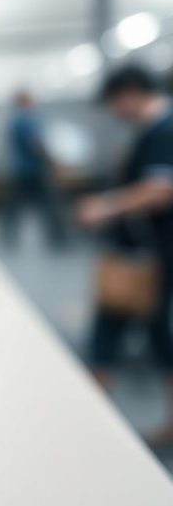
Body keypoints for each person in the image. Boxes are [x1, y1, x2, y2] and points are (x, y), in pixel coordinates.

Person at [80, 65, 173, 443]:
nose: (114, 111)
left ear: (131, 92)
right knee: (140, 334)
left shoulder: (163, 130)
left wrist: (107, 206)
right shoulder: (147, 132)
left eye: (115, 102)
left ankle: (84, 422)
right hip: (143, 253)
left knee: (148, 333)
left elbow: (161, 189)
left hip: (152, 255)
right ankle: (87, 417)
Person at [0, 90, 67, 247]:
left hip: (19, 170)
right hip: (32, 170)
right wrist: (53, 162)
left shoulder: (13, 120)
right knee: (49, 204)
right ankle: (59, 237)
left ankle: (7, 236)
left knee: (14, 206)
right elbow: (36, 145)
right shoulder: (27, 119)